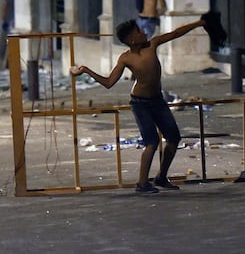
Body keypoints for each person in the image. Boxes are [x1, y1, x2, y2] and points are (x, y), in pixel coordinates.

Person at [70, 17, 209, 194]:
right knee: (151, 142)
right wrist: (86, 70)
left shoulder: (153, 44)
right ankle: (142, 183)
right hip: (140, 104)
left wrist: (198, 23)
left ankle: (161, 177)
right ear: (132, 40)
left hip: (157, 100)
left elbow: (175, 33)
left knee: (173, 138)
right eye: (139, 31)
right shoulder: (125, 58)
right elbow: (109, 82)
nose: (144, 32)